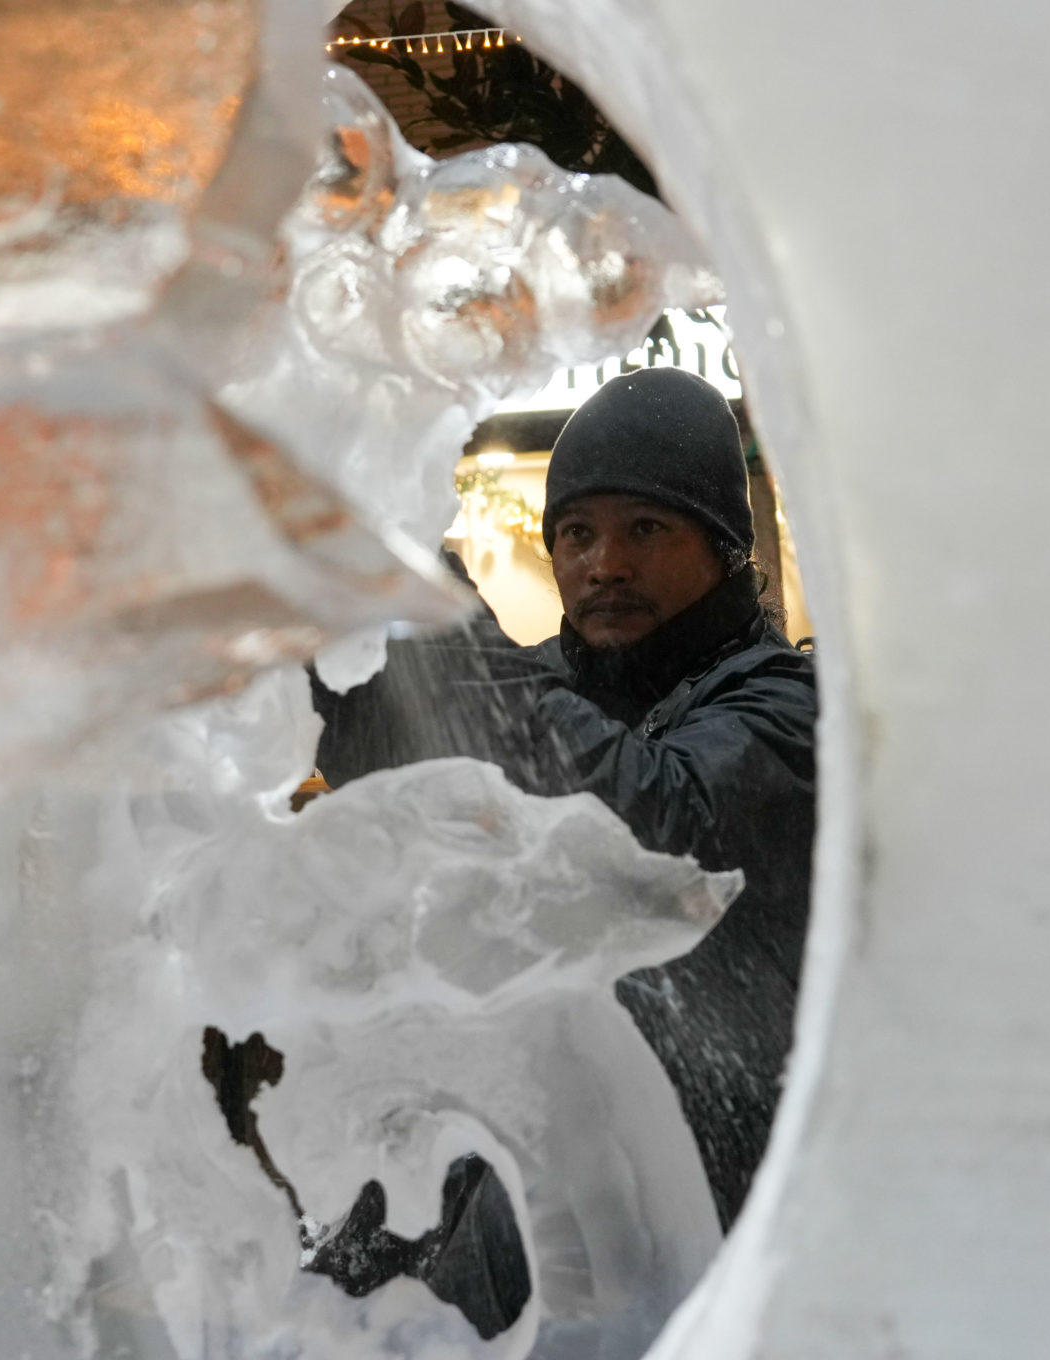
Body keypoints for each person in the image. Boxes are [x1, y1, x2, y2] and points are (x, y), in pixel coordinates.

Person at [311, 368, 818, 1228]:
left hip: (704, 1193)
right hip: (504, 1142)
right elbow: (415, 775)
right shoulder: (542, 675)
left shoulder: (785, 707)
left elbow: (654, 829)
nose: (605, 564)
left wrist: (432, 617)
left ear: (724, 545)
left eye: (646, 528)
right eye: (577, 532)